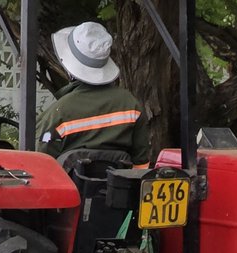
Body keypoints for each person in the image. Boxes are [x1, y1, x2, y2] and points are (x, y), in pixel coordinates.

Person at [36, 22, 151, 168]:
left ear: (70, 68)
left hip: (72, 189)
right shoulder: (130, 104)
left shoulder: (58, 113)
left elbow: (41, 163)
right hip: (120, 189)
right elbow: (141, 163)